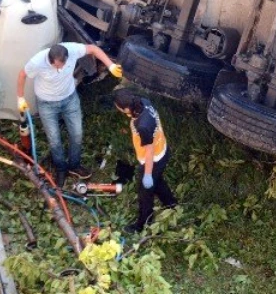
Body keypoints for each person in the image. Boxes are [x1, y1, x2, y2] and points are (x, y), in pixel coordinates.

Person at [17, 43, 122, 183]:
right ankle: (61, 169)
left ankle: (74, 166)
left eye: (64, 64)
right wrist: (20, 98)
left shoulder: (71, 50)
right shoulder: (38, 62)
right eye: (58, 66)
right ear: (50, 60)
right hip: (47, 104)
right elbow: (22, 75)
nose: (61, 68)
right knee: (54, 139)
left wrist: (110, 65)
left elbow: (93, 48)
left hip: (70, 99)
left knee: (77, 133)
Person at [113, 88, 177, 233]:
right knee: (158, 180)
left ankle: (143, 223)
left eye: (118, 107)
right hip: (163, 150)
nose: (117, 108)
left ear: (127, 109)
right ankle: (171, 204)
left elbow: (149, 151)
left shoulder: (143, 126)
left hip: (153, 160)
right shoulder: (144, 103)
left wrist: (147, 174)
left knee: (145, 194)